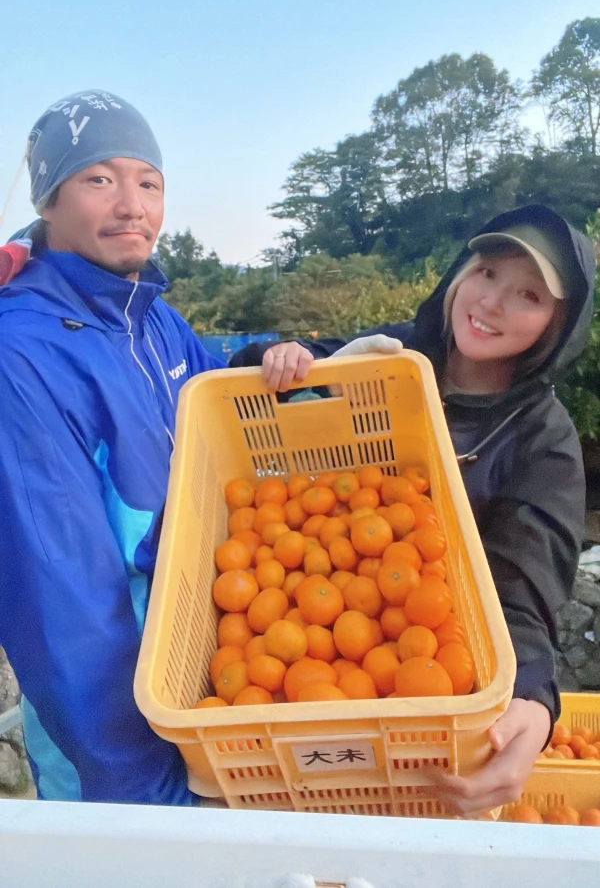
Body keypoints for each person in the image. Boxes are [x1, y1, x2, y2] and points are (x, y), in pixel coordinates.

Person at [231, 204, 596, 814]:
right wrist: (280, 359)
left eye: (527, 294)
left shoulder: (543, 438)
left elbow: (526, 569)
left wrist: (531, 693)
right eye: (485, 274)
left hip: (434, 671)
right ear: (460, 273)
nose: (492, 303)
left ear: (557, 324)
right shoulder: (389, 355)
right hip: (322, 607)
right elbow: (279, 374)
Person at [0, 90, 226, 805]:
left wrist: (315, 361)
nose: (133, 204)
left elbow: (227, 392)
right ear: (48, 199)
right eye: (100, 178)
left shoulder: (152, 320)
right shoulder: (21, 355)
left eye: (148, 182)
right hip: (113, 764)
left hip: (200, 703)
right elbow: (61, 608)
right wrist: (146, 796)